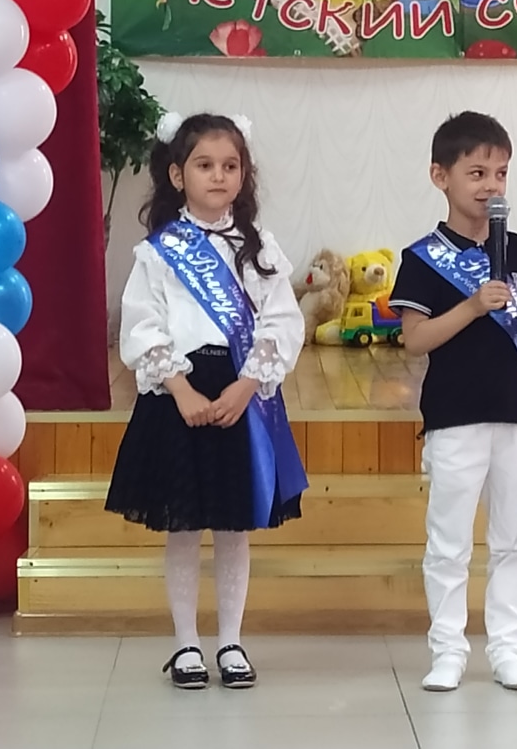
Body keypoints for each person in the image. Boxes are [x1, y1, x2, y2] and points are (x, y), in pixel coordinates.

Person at [104, 111, 308, 690]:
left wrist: (248, 384)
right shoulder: (159, 253)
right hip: (180, 396)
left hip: (242, 393)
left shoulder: (260, 249)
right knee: (184, 526)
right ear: (177, 175)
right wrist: (181, 388)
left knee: (234, 527)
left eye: (230, 166)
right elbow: (143, 326)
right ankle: (186, 644)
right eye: (204, 165)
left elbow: (282, 321)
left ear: (243, 175)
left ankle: (232, 642)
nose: (219, 176)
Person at [389, 111, 517, 693]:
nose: (491, 185)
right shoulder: (422, 258)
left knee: (514, 538)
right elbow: (415, 340)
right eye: (477, 173)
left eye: (501, 173)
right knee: (449, 540)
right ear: (440, 176)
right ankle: (447, 650)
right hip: (455, 415)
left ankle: (508, 649)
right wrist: (471, 306)